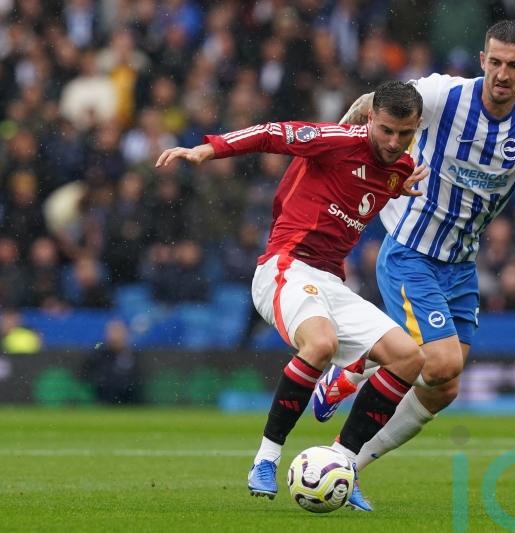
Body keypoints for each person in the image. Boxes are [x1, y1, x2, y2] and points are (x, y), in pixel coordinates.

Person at [313, 20, 515, 470]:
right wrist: (353, 118)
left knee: (445, 386)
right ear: (482, 60)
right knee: (438, 363)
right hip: (411, 250)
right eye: (494, 62)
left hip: (461, 264)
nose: (502, 74)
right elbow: (381, 102)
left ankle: (352, 463)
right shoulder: (445, 94)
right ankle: (343, 436)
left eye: (513, 65)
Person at [155, 81, 429, 512]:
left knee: (410, 358)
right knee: (321, 344)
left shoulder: (401, 167)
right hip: (285, 266)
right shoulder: (336, 141)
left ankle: (343, 463)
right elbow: (270, 132)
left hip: (332, 283)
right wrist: (209, 149)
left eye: (405, 133)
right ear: (372, 119)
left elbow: (369, 185)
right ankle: (265, 459)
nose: (394, 143)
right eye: (387, 130)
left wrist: (398, 187)